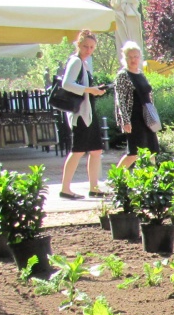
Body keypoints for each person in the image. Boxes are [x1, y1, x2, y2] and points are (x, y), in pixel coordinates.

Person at [57, 29, 108, 199]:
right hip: (81, 114)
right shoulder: (76, 62)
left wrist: (93, 90)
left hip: (87, 113)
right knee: (78, 150)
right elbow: (67, 84)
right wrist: (90, 90)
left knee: (95, 150)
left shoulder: (84, 63)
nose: (89, 50)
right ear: (78, 45)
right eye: (86, 46)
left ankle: (94, 187)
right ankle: (65, 188)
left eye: (92, 47)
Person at [114, 41, 158, 169]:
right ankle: (116, 178)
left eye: (136, 56)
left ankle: (152, 180)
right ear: (124, 58)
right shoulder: (122, 76)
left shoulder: (141, 74)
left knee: (151, 150)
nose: (133, 59)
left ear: (140, 57)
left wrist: (154, 116)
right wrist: (125, 121)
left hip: (147, 116)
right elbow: (120, 100)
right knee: (134, 152)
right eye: (130, 57)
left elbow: (149, 95)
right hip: (134, 117)